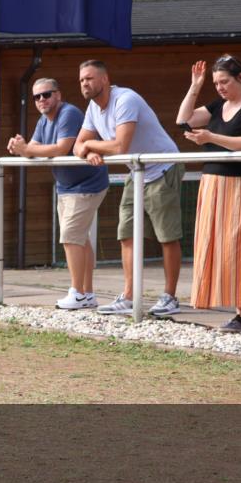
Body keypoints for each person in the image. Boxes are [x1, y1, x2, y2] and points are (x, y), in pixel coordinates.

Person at [73, 59, 184, 316]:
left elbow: (120, 145)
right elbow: (79, 145)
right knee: (126, 233)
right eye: (81, 80)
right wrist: (87, 151)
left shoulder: (125, 99)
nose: (85, 84)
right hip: (137, 172)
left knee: (167, 236)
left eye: (89, 78)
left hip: (162, 167)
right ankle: (130, 296)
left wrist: (91, 146)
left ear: (104, 79)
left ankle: (170, 297)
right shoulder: (92, 108)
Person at [176, 56, 241, 332]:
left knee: (240, 245)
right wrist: (196, 86)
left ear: (240, 77)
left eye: (224, 81)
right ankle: (239, 312)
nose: (219, 87)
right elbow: (184, 121)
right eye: (216, 82)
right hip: (213, 183)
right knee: (214, 245)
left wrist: (211, 138)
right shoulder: (219, 105)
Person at [8, 80, 109, 310]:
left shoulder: (69, 113)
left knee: (70, 236)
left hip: (88, 183)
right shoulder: (44, 120)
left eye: (46, 94)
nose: (42, 100)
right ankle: (88, 294)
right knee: (79, 239)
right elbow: (33, 148)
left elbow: (60, 148)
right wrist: (20, 146)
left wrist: (27, 150)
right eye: (37, 97)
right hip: (66, 187)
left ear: (58, 95)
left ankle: (78, 293)